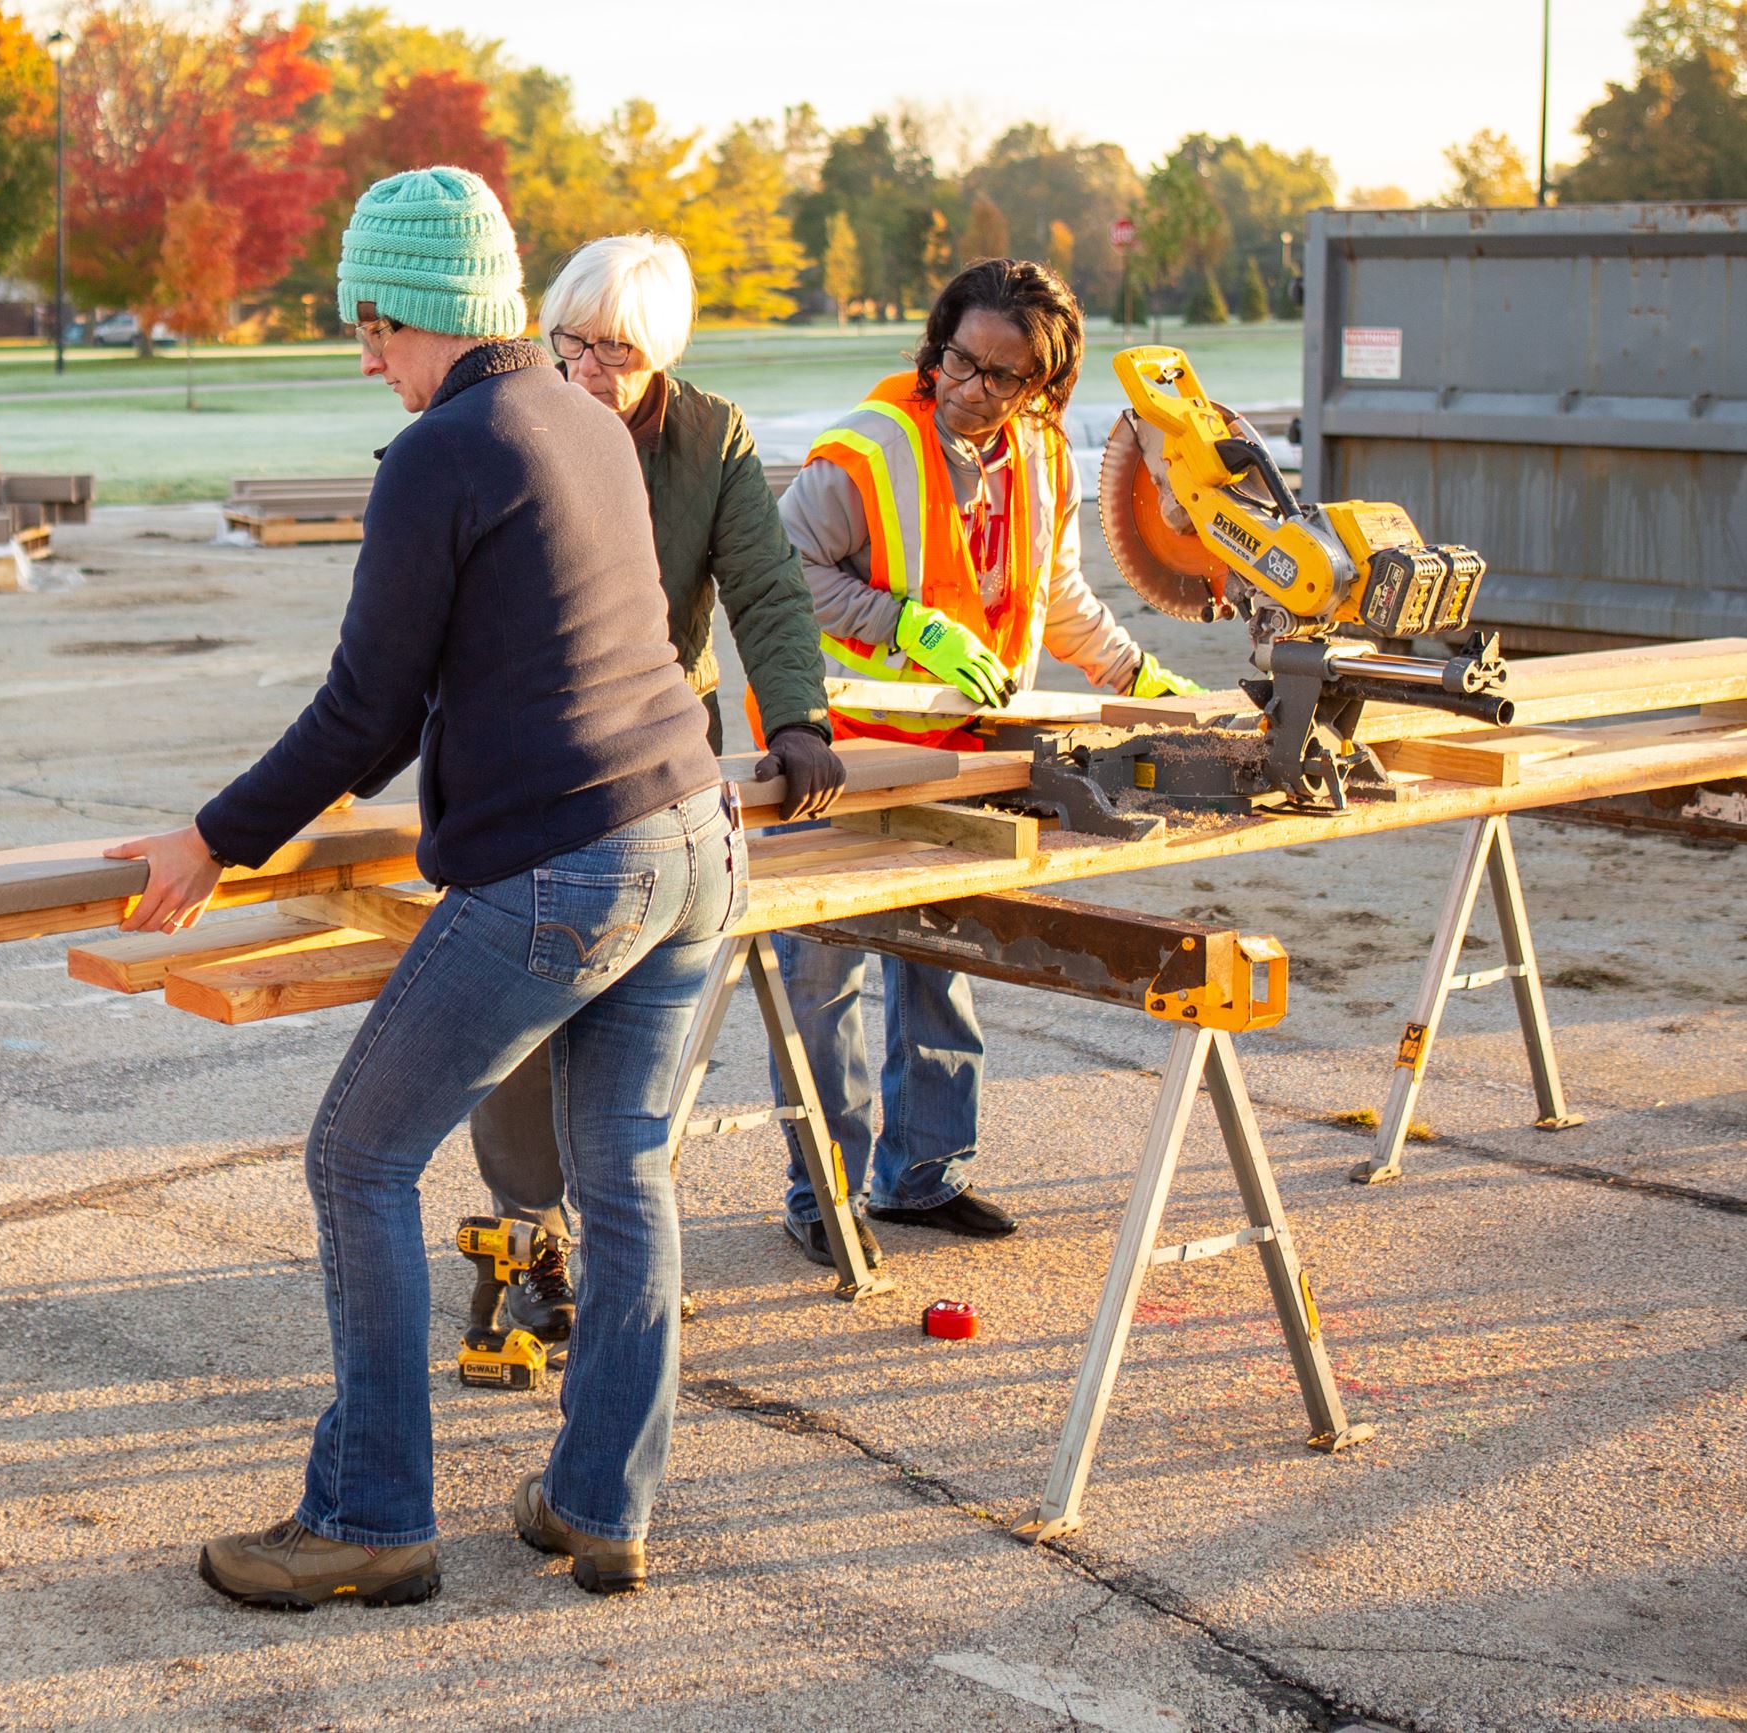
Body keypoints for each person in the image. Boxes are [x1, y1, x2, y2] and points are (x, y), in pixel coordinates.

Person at [109, 167, 742, 1607]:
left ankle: (373, 1515)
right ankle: (598, 1504)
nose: (365, 358)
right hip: (695, 838)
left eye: (374, 327)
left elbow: (364, 716)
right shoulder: (585, 421)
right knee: (625, 1176)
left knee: (359, 1156)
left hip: (572, 865)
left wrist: (209, 839)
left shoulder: (443, 452)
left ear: (426, 314)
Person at [772, 257, 1202, 1259]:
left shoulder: (1044, 457)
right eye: (954, 361)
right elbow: (779, 572)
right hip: (840, 754)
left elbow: (1055, 599)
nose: (965, 389)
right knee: (819, 984)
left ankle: (921, 1180)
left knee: (941, 959)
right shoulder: (866, 452)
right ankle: (822, 1200)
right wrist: (902, 624)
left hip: (963, 755)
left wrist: (1133, 677)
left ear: (1042, 388)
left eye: (997, 376)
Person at [467, 232, 843, 1333]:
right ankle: (529, 1237)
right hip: (531, 750)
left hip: (662, 745)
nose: (587, 368)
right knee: (521, 1013)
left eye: (617, 352)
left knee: (631, 1012)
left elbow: (765, 588)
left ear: (664, 355)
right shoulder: (511, 422)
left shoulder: (709, 436)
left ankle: (616, 1242)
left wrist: (798, 718)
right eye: (571, 342)